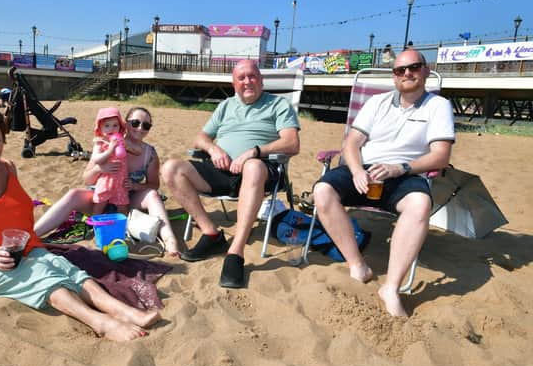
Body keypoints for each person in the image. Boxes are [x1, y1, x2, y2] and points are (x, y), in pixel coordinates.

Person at [0, 100, 160, 341]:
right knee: (46, 278)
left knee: (68, 269)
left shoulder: (8, 168)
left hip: (21, 250)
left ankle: (122, 310)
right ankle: (100, 322)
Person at [312, 50, 455, 317]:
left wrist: (399, 167)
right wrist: (356, 171)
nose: (407, 74)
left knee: (420, 204)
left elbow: (441, 156)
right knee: (322, 191)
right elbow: (351, 143)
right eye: (400, 70)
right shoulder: (376, 103)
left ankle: (391, 287)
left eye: (414, 67)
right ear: (394, 76)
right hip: (364, 171)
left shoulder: (438, 106)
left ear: (425, 70)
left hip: (405, 173)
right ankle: (357, 264)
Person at [161, 59, 300, 288]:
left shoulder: (278, 105)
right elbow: (200, 138)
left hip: (259, 173)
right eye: (241, 78)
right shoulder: (226, 105)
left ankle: (236, 251)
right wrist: (213, 149)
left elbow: (292, 143)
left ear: (261, 80)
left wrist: (254, 152)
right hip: (221, 170)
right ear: (234, 83)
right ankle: (211, 234)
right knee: (171, 168)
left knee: (253, 166)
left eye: (252, 76)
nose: (247, 81)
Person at [34, 107, 182, 257]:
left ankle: (169, 240)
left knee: (152, 195)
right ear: (125, 123)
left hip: (126, 202)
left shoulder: (149, 153)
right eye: (135, 123)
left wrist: (135, 185)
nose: (140, 128)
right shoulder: (106, 142)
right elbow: (87, 179)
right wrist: (100, 168)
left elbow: (154, 184)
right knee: (73, 194)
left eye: (146, 125)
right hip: (99, 198)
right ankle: (33, 233)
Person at [91, 108, 128, 215]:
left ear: (120, 127)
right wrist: (110, 150)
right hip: (106, 180)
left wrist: (126, 145)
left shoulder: (121, 140)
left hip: (121, 180)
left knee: (123, 206)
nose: (111, 129)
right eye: (107, 126)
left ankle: (124, 227)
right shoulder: (100, 143)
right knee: (99, 205)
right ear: (100, 128)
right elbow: (96, 159)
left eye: (115, 125)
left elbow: (136, 151)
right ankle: (95, 226)